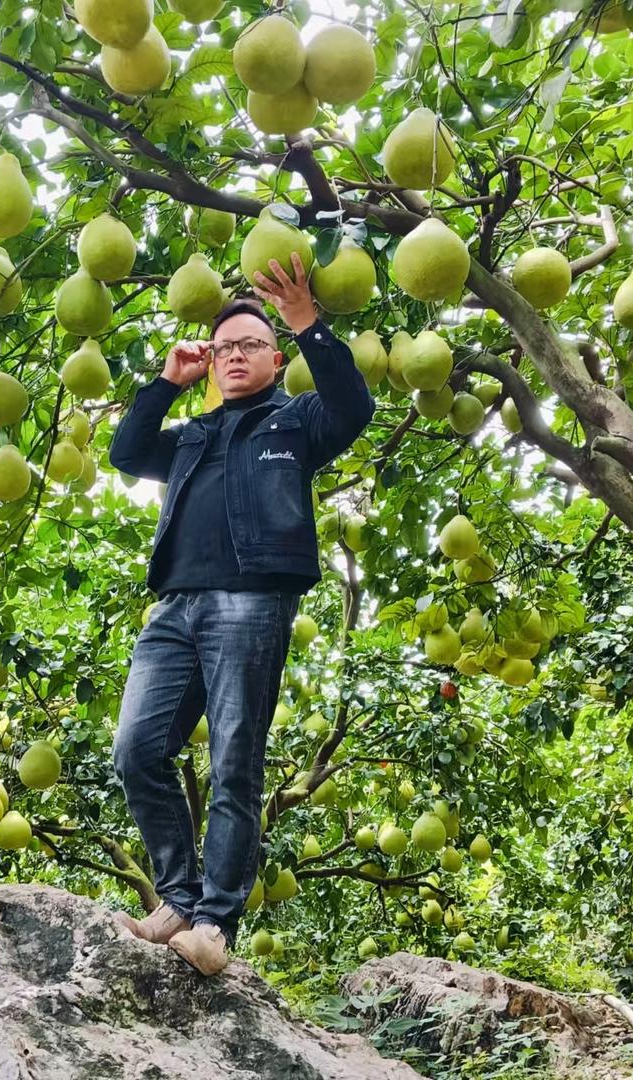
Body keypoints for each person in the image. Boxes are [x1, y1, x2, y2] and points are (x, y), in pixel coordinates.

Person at [107, 252, 376, 976]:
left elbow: (356, 406)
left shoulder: (297, 423)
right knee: (136, 750)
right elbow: (126, 453)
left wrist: (307, 324)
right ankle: (177, 899)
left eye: (248, 345)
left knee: (234, 762)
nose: (232, 357)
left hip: (251, 602)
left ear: (274, 357)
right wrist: (167, 383)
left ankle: (215, 925)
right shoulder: (192, 438)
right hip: (174, 609)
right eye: (223, 347)